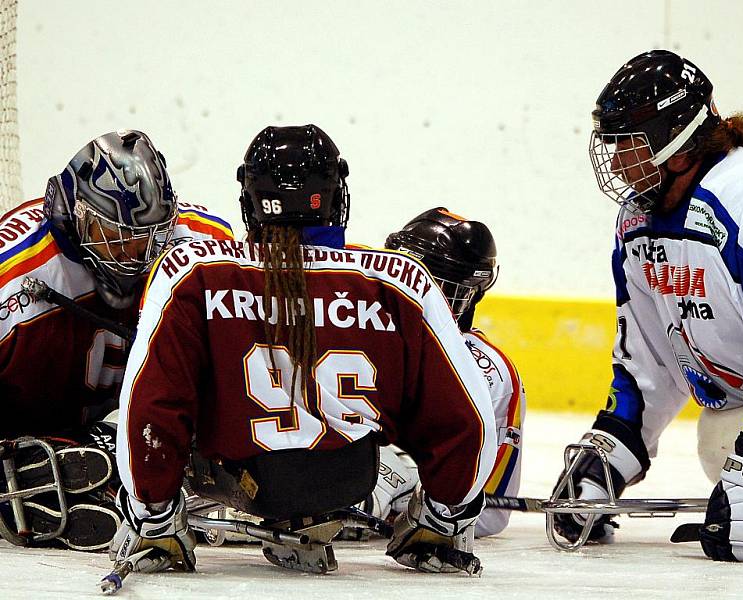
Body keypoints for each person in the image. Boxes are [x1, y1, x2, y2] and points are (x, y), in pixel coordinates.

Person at [110, 124, 497, 575]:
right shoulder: (401, 281)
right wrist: (443, 517)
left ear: (250, 200)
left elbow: (151, 407)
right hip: (352, 478)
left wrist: (152, 517)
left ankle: (163, 524)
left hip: (245, 481)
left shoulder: (191, 272)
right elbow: (468, 419)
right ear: (337, 195)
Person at [551, 49, 743, 563]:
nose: (617, 159)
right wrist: (609, 454)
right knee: (720, 439)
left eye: (629, 143)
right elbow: (651, 359)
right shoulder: (637, 222)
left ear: (677, 140)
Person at [0, 130, 233, 551]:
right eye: (118, 238)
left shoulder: (204, 243)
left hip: (147, 426)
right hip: (33, 423)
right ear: (75, 215)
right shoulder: (13, 270)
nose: (138, 255)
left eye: (150, 238)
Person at [364, 207, 524, 538]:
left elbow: (490, 512)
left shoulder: (490, 371)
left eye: (428, 283)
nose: (408, 292)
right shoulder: (358, 327)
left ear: (468, 293)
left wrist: (406, 490)